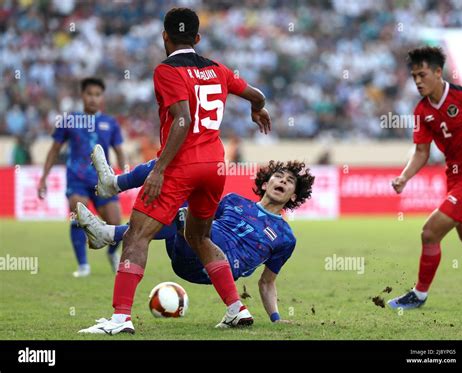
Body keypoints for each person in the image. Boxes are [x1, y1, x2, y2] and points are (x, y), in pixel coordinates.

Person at [78, 8, 271, 334]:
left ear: (164, 36)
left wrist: (159, 169)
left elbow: (182, 120)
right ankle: (236, 308)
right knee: (199, 236)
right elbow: (257, 95)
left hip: (183, 165)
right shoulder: (218, 69)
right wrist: (257, 109)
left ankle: (120, 318)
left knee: (137, 235)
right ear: (197, 38)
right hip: (215, 166)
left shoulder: (166, 70)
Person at [77, 156, 314, 332]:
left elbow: (267, 282)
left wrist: (275, 318)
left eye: (289, 181)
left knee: (181, 215)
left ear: (293, 195)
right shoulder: (233, 201)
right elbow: (203, 213)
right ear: (265, 183)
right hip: (184, 253)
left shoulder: (285, 237)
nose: (282, 181)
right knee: (177, 166)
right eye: (278, 177)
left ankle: (108, 232)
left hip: (219, 264)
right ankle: (115, 195)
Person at [388, 46, 462, 309]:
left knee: (429, 232)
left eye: (422, 75)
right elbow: (422, 152)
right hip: (455, 179)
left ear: (438, 72)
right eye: (414, 76)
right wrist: (404, 178)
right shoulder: (421, 111)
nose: (417, 81)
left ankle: (419, 294)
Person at [38, 77, 126, 277]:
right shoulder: (69, 120)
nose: (93, 99)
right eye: (89, 94)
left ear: (102, 97)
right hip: (77, 179)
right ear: (82, 95)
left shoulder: (110, 123)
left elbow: (120, 151)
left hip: (104, 181)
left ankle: (112, 253)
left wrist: (125, 175)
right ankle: (83, 265)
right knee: (79, 213)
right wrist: (43, 178)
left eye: (97, 95)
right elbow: (54, 150)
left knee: (116, 223)